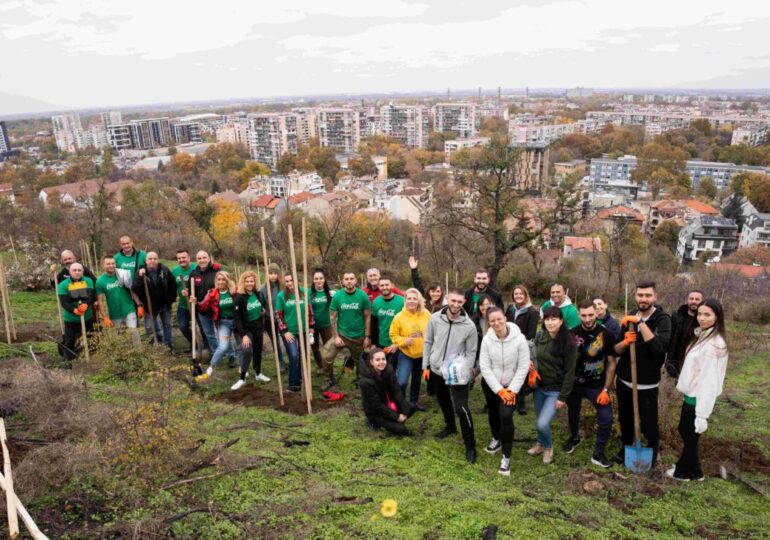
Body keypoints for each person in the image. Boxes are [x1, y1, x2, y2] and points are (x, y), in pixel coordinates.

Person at [667, 299, 728, 482]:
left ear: (717, 317)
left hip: (698, 399)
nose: (702, 318)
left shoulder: (713, 346)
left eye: (707, 315)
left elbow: (709, 382)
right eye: (700, 314)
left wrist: (702, 415)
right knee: (687, 432)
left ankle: (681, 472)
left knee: (690, 435)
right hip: (691, 395)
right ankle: (696, 472)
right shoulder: (703, 336)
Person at [613, 281, 671, 466]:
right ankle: (626, 447)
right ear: (635, 296)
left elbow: (658, 348)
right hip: (624, 381)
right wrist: (625, 342)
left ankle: (653, 450)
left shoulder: (663, 320)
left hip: (647, 383)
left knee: (649, 423)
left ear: (655, 297)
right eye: (640, 295)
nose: (643, 299)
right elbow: (616, 350)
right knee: (625, 419)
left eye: (647, 295)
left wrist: (640, 323)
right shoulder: (629, 318)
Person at [423, 288, 479, 463]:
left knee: (461, 408)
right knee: (443, 399)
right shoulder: (435, 318)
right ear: (447, 299)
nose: (455, 305)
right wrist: (426, 364)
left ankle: (470, 446)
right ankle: (450, 426)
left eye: (459, 302)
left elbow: (471, 352)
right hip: (437, 369)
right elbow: (428, 341)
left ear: (464, 303)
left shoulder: (469, 326)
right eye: (453, 301)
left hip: (456, 373)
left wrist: (466, 373)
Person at [565, 300, 617, 468]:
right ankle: (574, 437)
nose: (587, 319)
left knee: (606, 418)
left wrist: (606, 389)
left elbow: (612, 363)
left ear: (597, 313)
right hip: (575, 384)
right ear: (578, 314)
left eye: (590, 315)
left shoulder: (607, 334)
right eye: (584, 315)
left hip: (597, 385)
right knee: (573, 412)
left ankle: (598, 453)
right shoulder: (571, 334)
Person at [479, 306, 530, 476]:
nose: (496, 323)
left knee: (506, 416)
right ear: (489, 322)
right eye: (492, 321)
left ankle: (506, 457)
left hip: (512, 385)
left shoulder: (519, 339)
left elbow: (523, 366)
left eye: (499, 319)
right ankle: (496, 438)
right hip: (492, 385)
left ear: (505, 318)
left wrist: (512, 390)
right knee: (493, 413)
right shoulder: (487, 340)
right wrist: (499, 390)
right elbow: (484, 367)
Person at [527, 307, 578, 465]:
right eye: (547, 319)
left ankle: (548, 447)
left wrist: (563, 397)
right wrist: (530, 366)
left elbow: (570, 373)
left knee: (543, 423)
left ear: (561, 321)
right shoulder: (541, 335)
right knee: (539, 419)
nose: (550, 323)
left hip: (555, 390)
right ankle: (540, 444)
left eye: (554, 319)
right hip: (539, 387)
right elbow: (533, 354)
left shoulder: (569, 342)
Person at [323, 272, 372, 388]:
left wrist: (367, 336)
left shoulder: (362, 296)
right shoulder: (337, 296)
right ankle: (329, 379)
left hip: (358, 336)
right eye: (346, 279)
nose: (349, 281)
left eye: (351, 278)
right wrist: (336, 336)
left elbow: (368, 317)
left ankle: (360, 380)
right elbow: (332, 317)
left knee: (360, 361)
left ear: (355, 281)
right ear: (343, 281)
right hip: (342, 335)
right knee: (326, 356)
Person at [192, 271, 241, 380]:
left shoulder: (235, 291)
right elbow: (203, 306)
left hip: (238, 322)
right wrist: (196, 303)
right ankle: (210, 369)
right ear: (216, 281)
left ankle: (242, 368)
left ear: (227, 281)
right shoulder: (212, 293)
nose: (221, 282)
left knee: (241, 346)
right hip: (224, 323)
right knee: (223, 347)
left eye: (223, 279)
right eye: (219, 279)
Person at [389, 288, 431, 411]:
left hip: (422, 354)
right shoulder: (399, 317)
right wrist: (404, 341)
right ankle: (401, 403)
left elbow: (433, 329)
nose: (412, 301)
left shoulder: (426, 314)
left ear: (419, 300)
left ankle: (414, 401)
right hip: (406, 354)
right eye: (409, 298)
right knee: (402, 381)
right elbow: (393, 335)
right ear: (405, 300)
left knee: (416, 379)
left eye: (414, 298)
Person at [188, 251, 234, 364]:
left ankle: (230, 356)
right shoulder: (193, 274)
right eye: (199, 258)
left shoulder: (216, 270)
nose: (202, 260)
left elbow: (226, 283)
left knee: (223, 334)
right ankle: (216, 353)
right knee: (209, 334)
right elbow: (190, 290)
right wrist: (187, 294)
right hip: (202, 309)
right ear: (196, 260)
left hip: (217, 309)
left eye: (204, 257)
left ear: (208, 259)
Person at [359, 348, 416, 436]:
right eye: (377, 360)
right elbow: (377, 406)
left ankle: (392, 421)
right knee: (401, 429)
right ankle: (373, 422)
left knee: (411, 408)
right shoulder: (366, 381)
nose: (381, 362)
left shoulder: (389, 370)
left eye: (383, 359)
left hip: (389, 403)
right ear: (371, 362)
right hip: (376, 412)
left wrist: (404, 411)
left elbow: (397, 391)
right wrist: (396, 417)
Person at [275, 272, 314, 393]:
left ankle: (302, 378)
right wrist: (285, 331)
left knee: (304, 354)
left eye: (291, 280)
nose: (289, 283)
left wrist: (311, 327)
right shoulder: (281, 296)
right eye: (286, 281)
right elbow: (278, 315)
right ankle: (293, 383)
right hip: (290, 331)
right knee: (293, 355)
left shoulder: (304, 292)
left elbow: (310, 311)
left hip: (304, 330)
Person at [231, 271, 270, 390]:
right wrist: (244, 335)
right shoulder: (239, 298)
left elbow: (260, 307)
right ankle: (242, 378)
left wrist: (262, 312)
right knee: (247, 351)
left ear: (255, 282)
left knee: (258, 351)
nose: (249, 283)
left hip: (257, 327)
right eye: (247, 281)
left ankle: (258, 373)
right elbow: (237, 319)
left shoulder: (257, 294)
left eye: (251, 281)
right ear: (243, 282)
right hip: (246, 330)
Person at [504, 284, 539, 414]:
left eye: (521, 294)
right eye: (516, 294)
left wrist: (517, 344)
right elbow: (505, 326)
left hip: (523, 346)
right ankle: (509, 396)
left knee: (521, 374)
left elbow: (531, 334)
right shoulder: (510, 309)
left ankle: (521, 402)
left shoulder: (532, 312)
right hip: (507, 345)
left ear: (525, 295)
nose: (518, 296)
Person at [133, 252, 177, 350]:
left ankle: (169, 345)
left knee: (167, 325)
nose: (152, 261)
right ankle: (154, 345)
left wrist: (171, 299)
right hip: (150, 306)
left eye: (155, 259)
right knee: (149, 327)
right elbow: (135, 288)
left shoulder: (164, 270)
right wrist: (140, 277)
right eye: (150, 259)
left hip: (165, 304)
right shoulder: (140, 272)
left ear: (157, 260)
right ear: (146, 261)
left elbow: (173, 284)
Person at [57, 263, 96, 366]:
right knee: (70, 340)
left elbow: (91, 296)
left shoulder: (88, 281)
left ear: (82, 271)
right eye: (74, 270)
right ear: (70, 272)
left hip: (87, 317)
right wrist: (74, 310)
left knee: (90, 337)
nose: (77, 272)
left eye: (79, 270)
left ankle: (91, 358)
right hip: (70, 319)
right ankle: (68, 361)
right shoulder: (63, 285)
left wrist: (86, 304)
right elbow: (64, 303)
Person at [95, 256, 140, 339]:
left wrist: (139, 305)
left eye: (113, 263)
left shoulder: (122, 274)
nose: (111, 265)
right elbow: (100, 301)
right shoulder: (100, 281)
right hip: (115, 313)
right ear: (103, 265)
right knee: (120, 337)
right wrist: (105, 317)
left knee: (134, 333)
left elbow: (132, 290)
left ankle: (138, 348)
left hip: (129, 309)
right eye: (108, 264)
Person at [667, 290, 704, 378]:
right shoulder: (676, 317)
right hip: (674, 362)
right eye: (691, 299)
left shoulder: (703, 321)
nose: (694, 301)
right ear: (687, 300)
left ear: (702, 302)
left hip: (694, 364)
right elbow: (670, 337)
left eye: (697, 299)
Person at [371, 274, 405, 369]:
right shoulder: (376, 302)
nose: (384, 287)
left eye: (387, 285)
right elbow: (374, 324)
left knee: (391, 368)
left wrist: (397, 343)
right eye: (382, 285)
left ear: (392, 286)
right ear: (378, 286)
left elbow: (406, 324)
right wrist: (373, 343)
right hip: (381, 342)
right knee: (380, 368)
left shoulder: (401, 301)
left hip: (396, 343)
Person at [259, 263, 287, 372]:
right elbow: (261, 304)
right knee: (275, 342)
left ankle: (293, 359)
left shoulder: (283, 287)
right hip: (269, 320)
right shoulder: (263, 289)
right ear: (267, 274)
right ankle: (280, 362)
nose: (273, 276)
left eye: (275, 273)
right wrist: (263, 312)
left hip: (283, 319)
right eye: (271, 273)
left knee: (287, 339)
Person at [171, 249, 197, 352]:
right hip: (183, 305)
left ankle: (205, 346)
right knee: (183, 326)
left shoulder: (196, 268)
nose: (181, 260)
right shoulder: (175, 271)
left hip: (196, 304)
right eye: (179, 258)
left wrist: (190, 291)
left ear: (189, 258)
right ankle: (194, 344)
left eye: (184, 257)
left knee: (202, 327)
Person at [310, 269, 335, 372]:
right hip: (313, 326)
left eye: (321, 278)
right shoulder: (309, 293)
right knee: (314, 347)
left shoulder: (330, 292)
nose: (319, 281)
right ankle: (321, 366)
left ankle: (329, 369)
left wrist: (334, 297)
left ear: (324, 279)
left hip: (326, 324)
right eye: (316, 279)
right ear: (313, 280)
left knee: (329, 348)